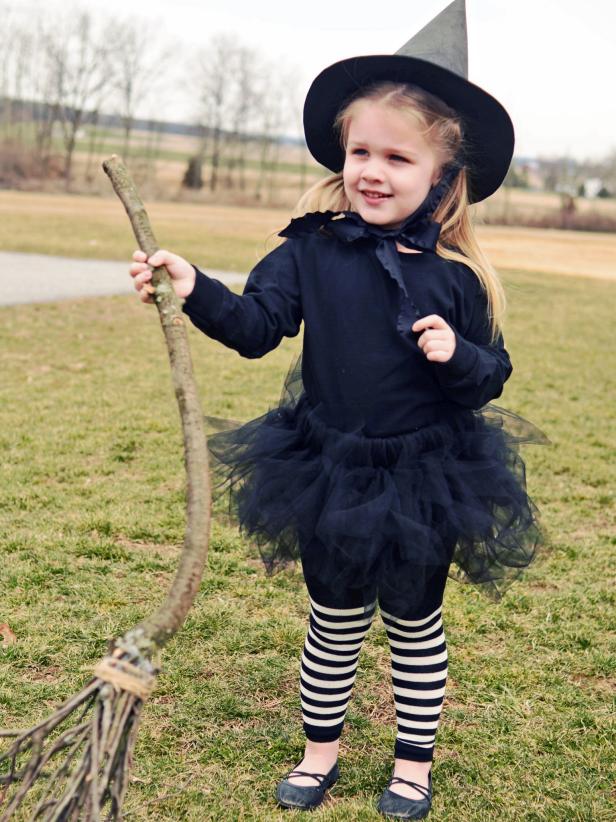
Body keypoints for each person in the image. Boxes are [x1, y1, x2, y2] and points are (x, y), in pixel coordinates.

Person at [128, 2, 550, 817]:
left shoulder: (458, 278)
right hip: (326, 468)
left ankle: (413, 767)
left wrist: (455, 355)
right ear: (341, 154)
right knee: (333, 622)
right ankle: (319, 752)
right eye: (362, 150)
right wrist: (194, 287)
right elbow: (256, 329)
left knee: (415, 625)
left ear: (443, 177)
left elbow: (490, 373)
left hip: (426, 474)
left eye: (398, 156)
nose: (373, 170)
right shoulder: (309, 249)